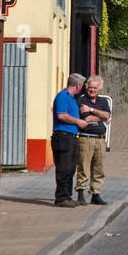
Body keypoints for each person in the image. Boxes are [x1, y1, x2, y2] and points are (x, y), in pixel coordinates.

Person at [52, 73, 94, 207]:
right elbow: (62, 115)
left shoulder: (72, 98)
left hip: (72, 136)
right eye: (82, 85)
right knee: (63, 168)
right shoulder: (62, 96)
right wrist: (78, 121)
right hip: (63, 136)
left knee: (70, 169)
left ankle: (68, 196)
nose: (82, 88)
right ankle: (61, 198)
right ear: (77, 85)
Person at [75, 75, 111, 205]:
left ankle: (96, 194)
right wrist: (100, 116)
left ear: (99, 89)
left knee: (99, 168)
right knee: (83, 167)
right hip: (86, 138)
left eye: (95, 88)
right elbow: (85, 119)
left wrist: (91, 110)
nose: (92, 90)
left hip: (100, 139)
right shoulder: (81, 100)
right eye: (90, 87)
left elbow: (107, 115)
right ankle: (80, 193)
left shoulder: (103, 101)